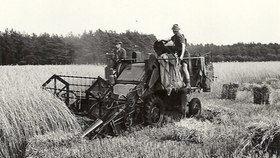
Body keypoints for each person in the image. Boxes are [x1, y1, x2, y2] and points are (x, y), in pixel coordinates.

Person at [163, 24, 191, 89]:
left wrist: (181, 55)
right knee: (177, 68)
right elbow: (169, 39)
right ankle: (180, 82)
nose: (174, 31)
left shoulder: (180, 36)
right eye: (173, 30)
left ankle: (188, 84)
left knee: (184, 68)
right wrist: (163, 41)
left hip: (184, 53)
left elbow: (183, 45)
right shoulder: (174, 37)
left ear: (178, 30)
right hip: (178, 53)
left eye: (175, 30)